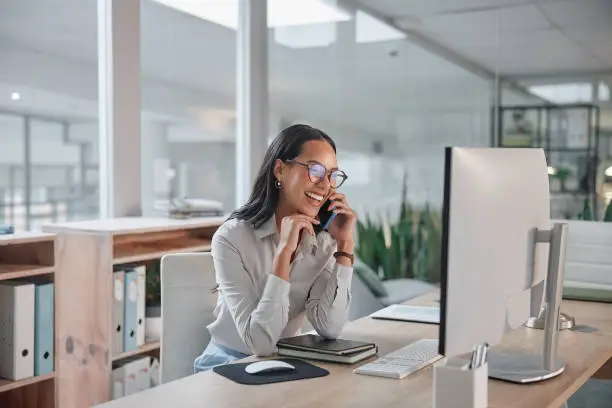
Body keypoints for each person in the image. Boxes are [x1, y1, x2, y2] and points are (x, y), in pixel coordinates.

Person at [194, 124, 356, 372]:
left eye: (333, 175)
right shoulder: (231, 238)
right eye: (315, 170)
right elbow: (260, 344)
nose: (326, 186)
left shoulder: (324, 243)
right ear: (280, 170)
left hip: (287, 362)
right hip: (228, 363)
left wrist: (345, 245)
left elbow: (329, 327)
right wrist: (283, 254)